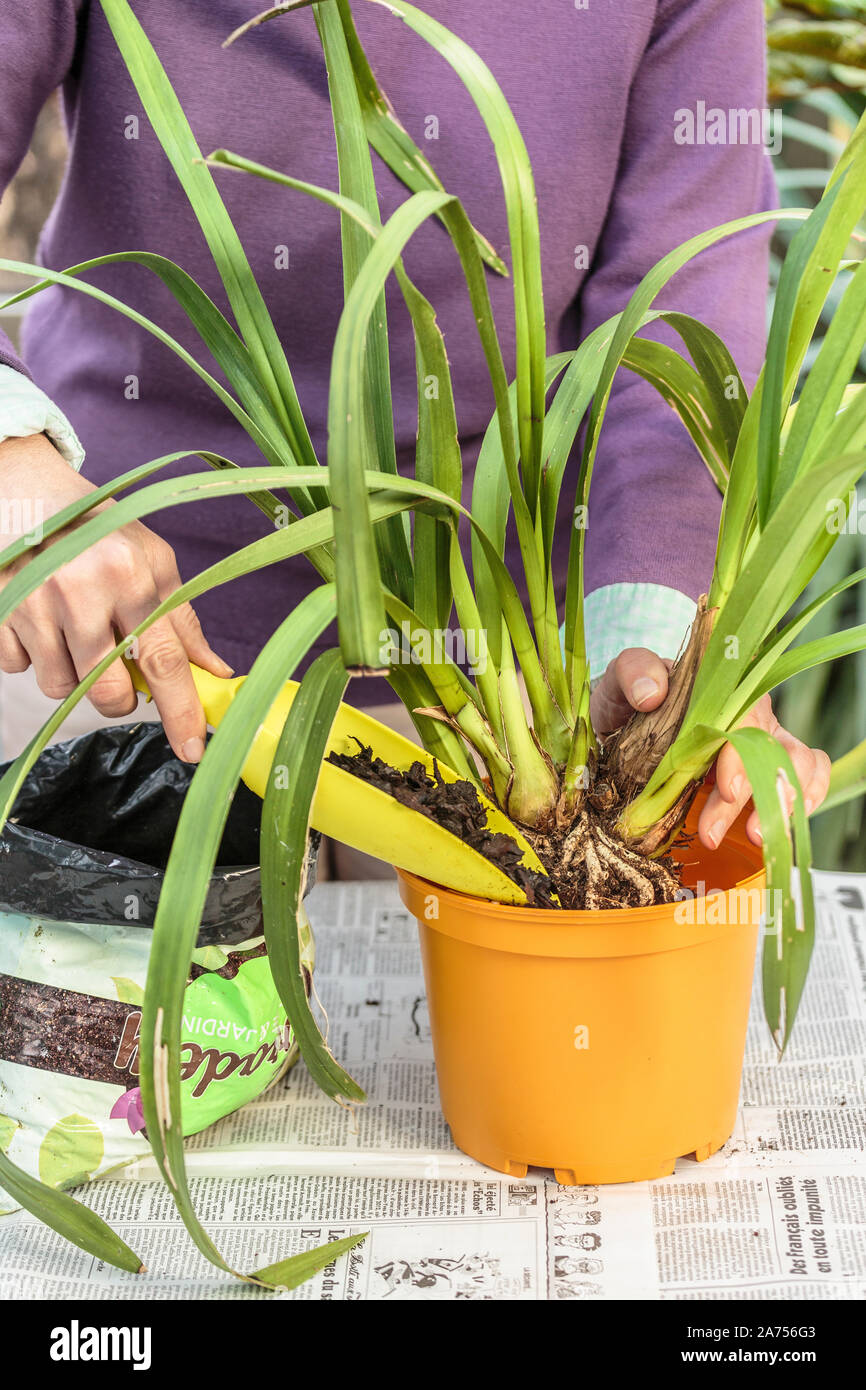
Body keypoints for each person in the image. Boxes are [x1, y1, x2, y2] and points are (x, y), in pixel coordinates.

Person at [0, 1, 830, 864]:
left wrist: (659, 652)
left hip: (506, 700)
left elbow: (679, 306)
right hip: (110, 636)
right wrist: (15, 466)